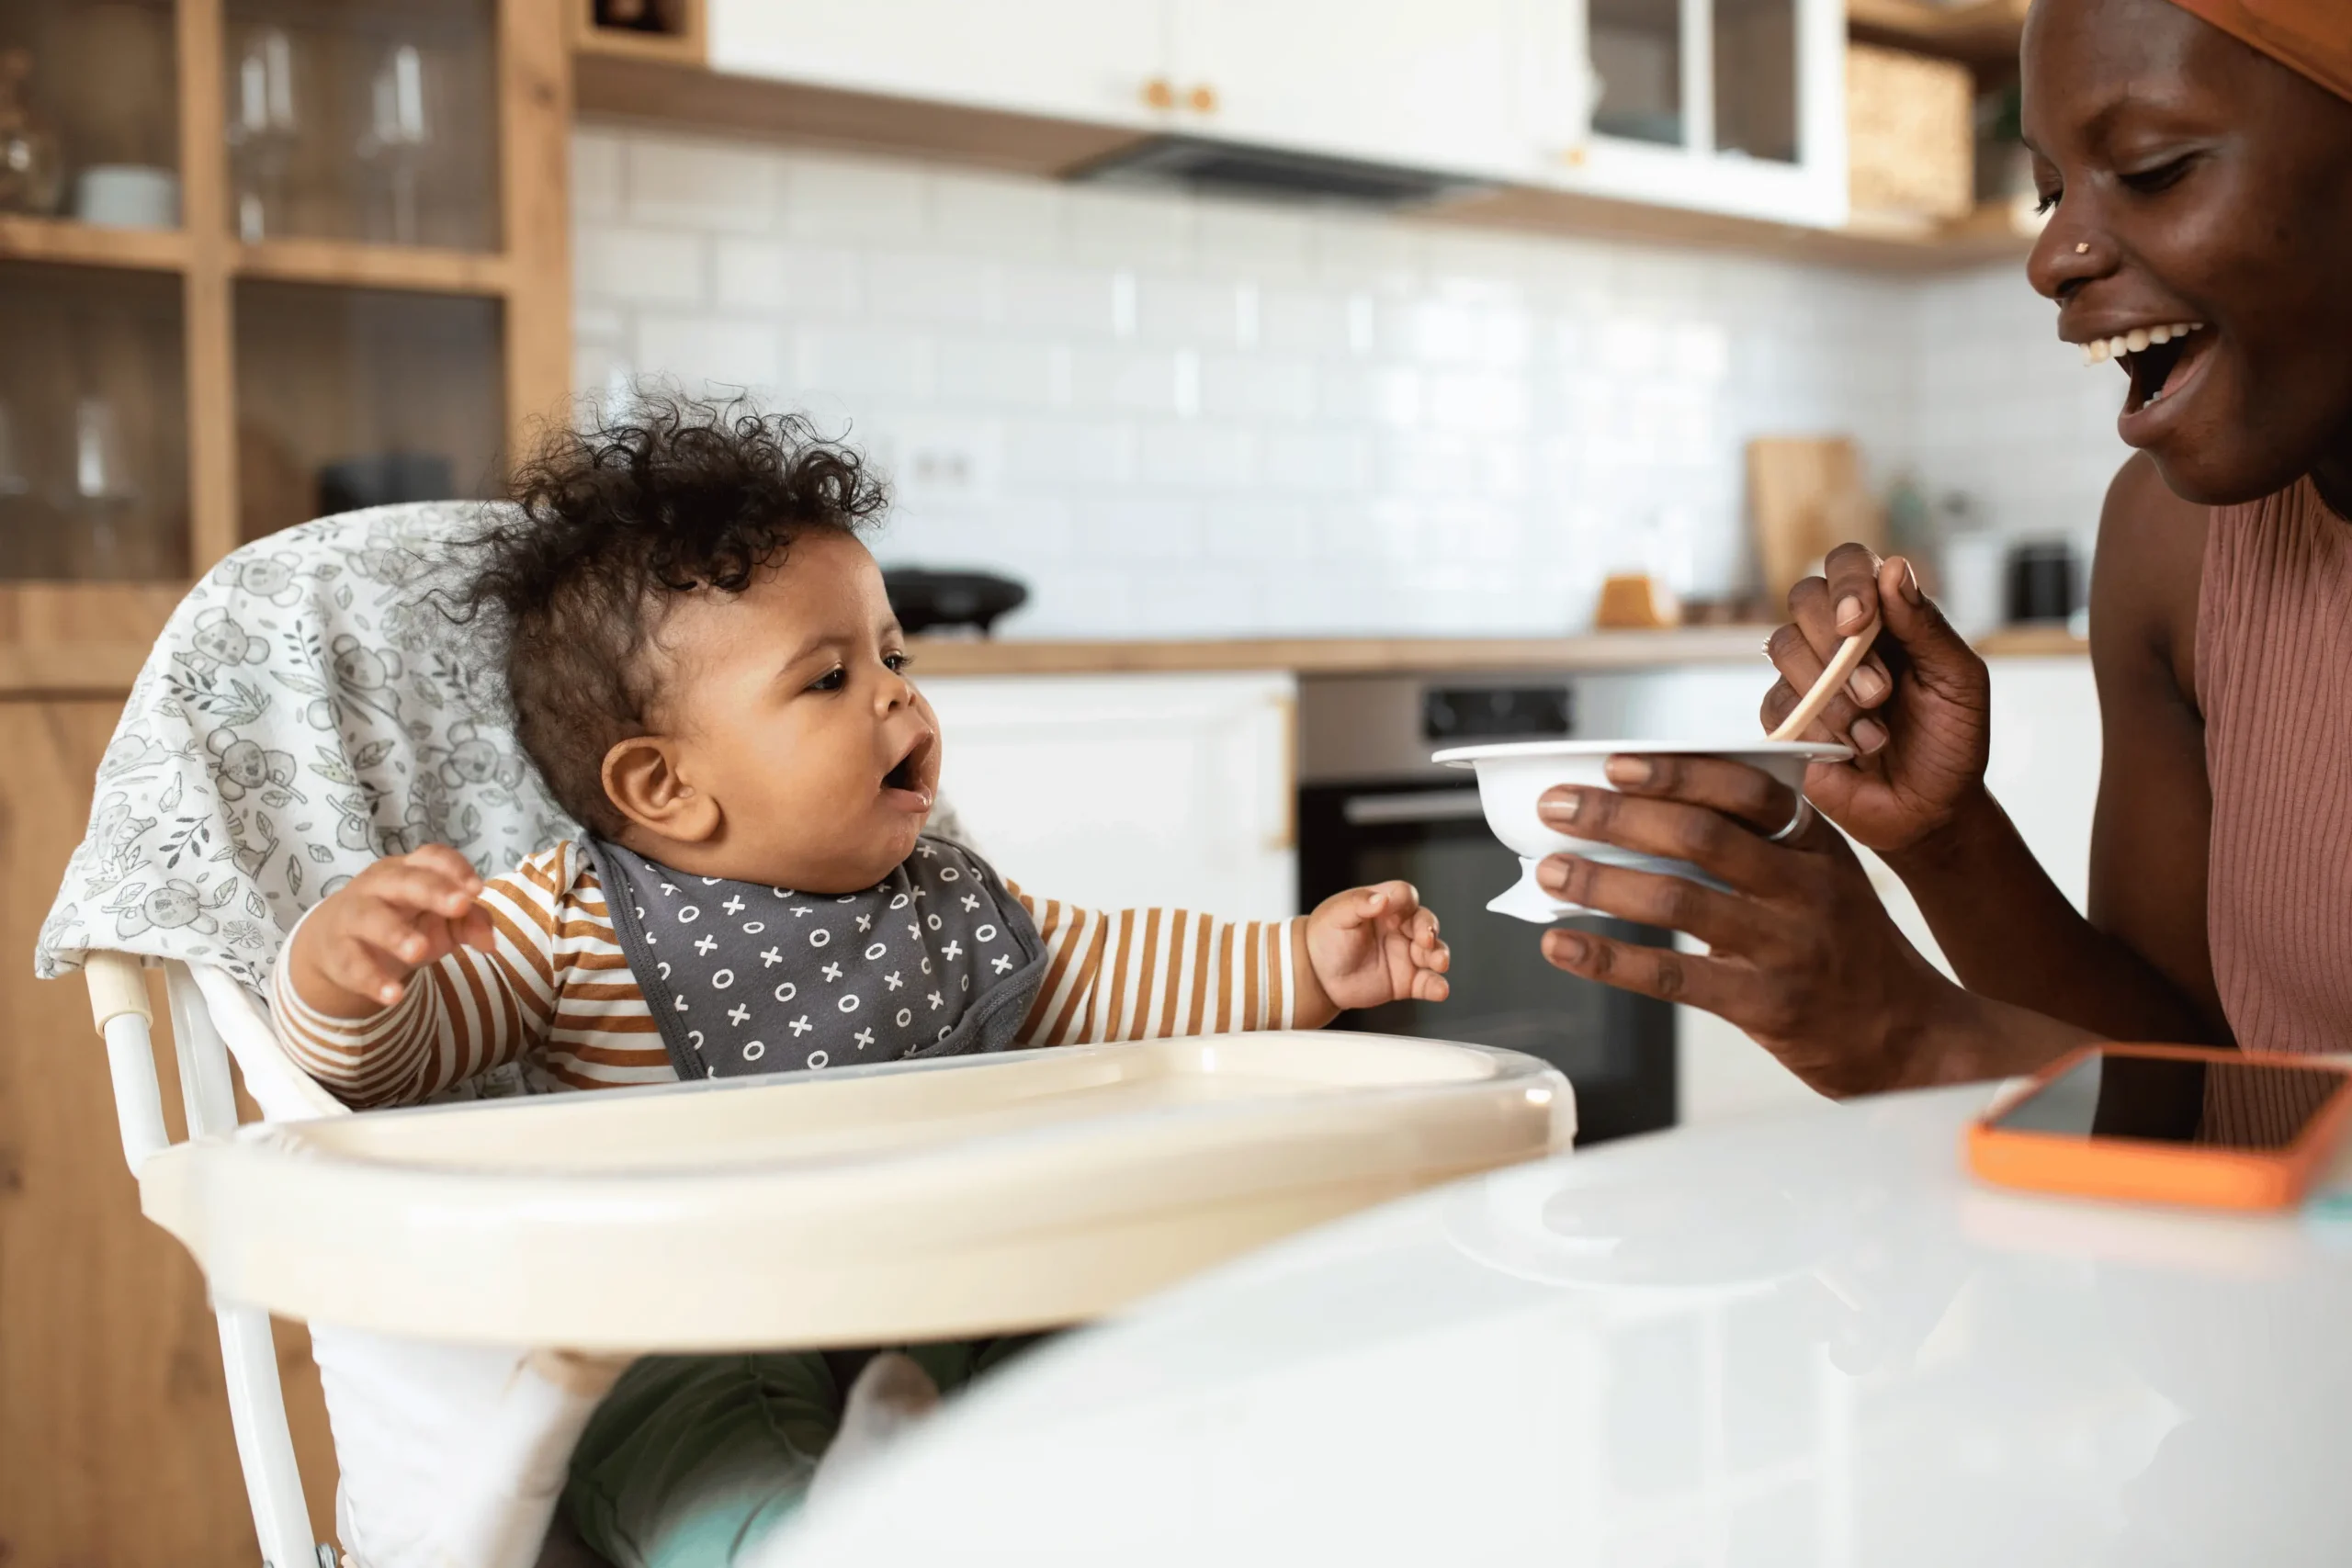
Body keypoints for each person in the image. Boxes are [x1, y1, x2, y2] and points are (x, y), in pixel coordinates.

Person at [267, 396, 1453, 1566]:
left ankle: (1040, 1497)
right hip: (692, 1318)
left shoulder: (951, 903)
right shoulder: (567, 921)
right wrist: (350, 973)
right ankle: (820, 1536)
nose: (896, 692)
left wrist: (1305, 960)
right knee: (687, 1450)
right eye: (827, 679)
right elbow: (396, 1063)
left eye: (894, 654)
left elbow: (1129, 972)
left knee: (1109, 1346)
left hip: (957, 1286)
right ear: (664, 785)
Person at [1521, 0, 2352, 1093]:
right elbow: (2185, 1076)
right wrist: (1944, 838)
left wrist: (1921, 1040)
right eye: (2050, 189)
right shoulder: (2171, 544)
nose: (2052, 254)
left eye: (2151, 169)